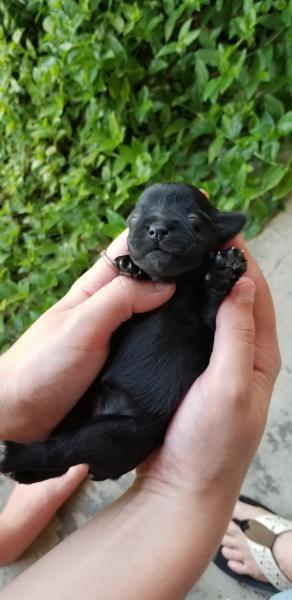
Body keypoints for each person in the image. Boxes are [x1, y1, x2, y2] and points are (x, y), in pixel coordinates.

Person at [0, 229, 281, 600]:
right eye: (143, 222)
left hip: (129, 421)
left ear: (217, 231)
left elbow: (205, 324)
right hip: (107, 394)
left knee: (98, 433)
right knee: (80, 426)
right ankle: (48, 464)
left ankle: (43, 469)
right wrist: (186, 490)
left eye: (188, 225)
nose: (158, 230)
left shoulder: (197, 278)